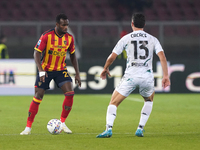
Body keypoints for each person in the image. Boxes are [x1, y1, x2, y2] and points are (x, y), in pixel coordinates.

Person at [96, 13, 170, 138]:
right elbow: (162, 56)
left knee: (113, 102)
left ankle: (108, 129)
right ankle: (140, 128)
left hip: (130, 76)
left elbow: (112, 56)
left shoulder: (126, 38)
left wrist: (105, 68)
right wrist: (166, 76)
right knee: (149, 100)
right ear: (144, 24)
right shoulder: (153, 39)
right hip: (147, 77)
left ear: (132, 24)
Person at [20, 13, 81, 135]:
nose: (66, 27)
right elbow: (36, 53)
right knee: (38, 96)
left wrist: (77, 73)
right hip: (46, 70)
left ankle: (62, 123)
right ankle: (28, 127)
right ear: (57, 24)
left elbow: (73, 55)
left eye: (67, 25)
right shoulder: (47, 36)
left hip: (61, 70)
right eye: (63, 25)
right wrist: (41, 70)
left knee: (70, 93)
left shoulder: (69, 38)